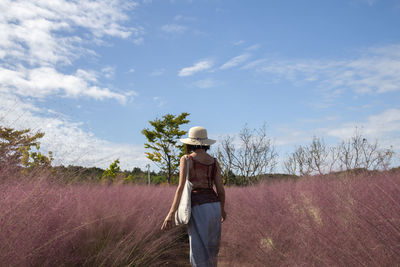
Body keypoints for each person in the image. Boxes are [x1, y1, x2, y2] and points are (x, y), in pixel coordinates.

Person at [161, 126, 226, 267]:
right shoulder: (214, 162)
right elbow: (220, 190)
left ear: (190, 142)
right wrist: (222, 209)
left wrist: (171, 213)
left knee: (197, 249)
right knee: (212, 249)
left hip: (198, 207)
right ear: (206, 143)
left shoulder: (187, 159)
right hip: (214, 206)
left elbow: (180, 188)